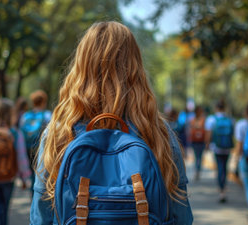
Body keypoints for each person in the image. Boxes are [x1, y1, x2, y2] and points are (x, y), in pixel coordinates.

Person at [30, 21, 193, 225]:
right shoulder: (158, 132)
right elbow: (182, 216)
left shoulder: (60, 132)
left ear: (81, 66)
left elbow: (41, 216)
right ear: (135, 67)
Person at [19, 90, 52, 197]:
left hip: (27, 148)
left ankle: (32, 195)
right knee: (39, 173)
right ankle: (36, 195)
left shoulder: (25, 116)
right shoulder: (47, 115)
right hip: (40, 149)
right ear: (44, 102)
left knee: (31, 172)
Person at [205, 100, 234, 203]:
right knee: (225, 168)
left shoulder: (212, 119)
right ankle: (223, 188)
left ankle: (221, 190)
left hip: (216, 148)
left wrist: (207, 145)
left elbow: (208, 133)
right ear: (224, 108)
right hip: (227, 148)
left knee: (219, 168)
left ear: (216, 108)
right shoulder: (230, 119)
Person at [188, 106, 206, 181]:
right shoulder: (196, 120)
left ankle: (198, 170)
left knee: (199, 157)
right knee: (197, 157)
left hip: (201, 141)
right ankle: (197, 170)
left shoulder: (202, 119)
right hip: (195, 141)